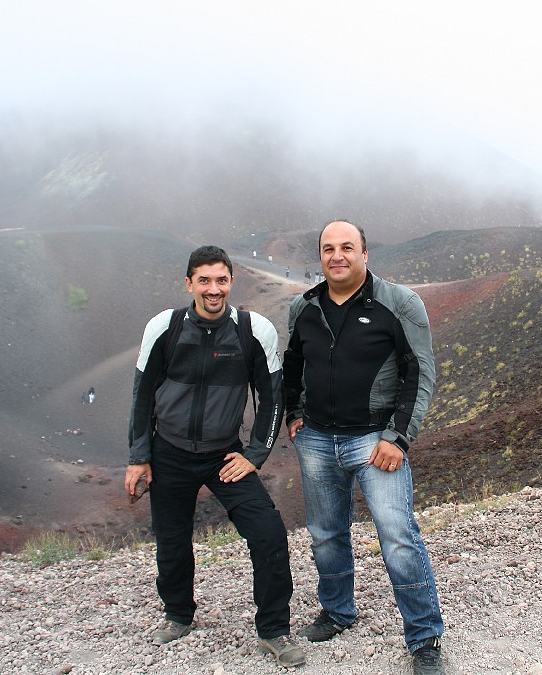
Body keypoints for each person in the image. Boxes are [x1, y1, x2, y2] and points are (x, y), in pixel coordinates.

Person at [125, 245, 305, 668]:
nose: (213, 288)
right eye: (203, 280)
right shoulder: (164, 327)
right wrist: (139, 456)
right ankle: (178, 615)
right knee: (171, 540)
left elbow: (272, 397)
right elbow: (141, 395)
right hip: (167, 451)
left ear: (231, 282)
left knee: (269, 533)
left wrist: (255, 455)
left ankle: (274, 630)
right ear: (189, 283)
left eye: (220, 280)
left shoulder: (252, 330)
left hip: (224, 456)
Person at [283, 220, 445, 675]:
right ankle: (337, 611)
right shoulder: (305, 306)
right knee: (325, 533)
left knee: (397, 536)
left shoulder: (400, 303)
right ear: (321, 256)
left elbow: (420, 373)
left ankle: (424, 637)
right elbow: (292, 365)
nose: (337, 256)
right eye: (328, 249)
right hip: (316, 439)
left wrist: (398, 437)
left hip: (375, 441)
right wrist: (294, 414)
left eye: (347, 247)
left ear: (365, 253)